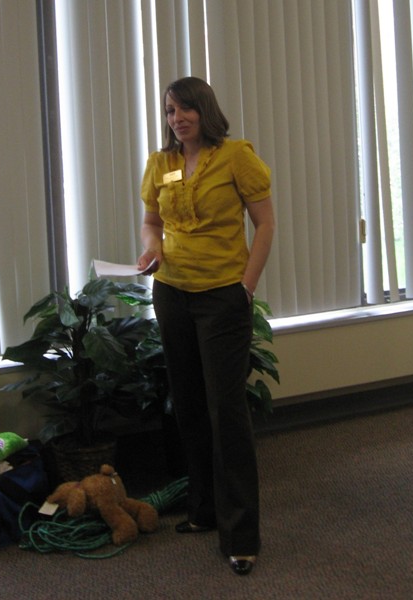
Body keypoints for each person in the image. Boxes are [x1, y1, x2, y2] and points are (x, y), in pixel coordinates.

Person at [137, 76, 275, 576]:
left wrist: (246, 285)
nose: (177, 118)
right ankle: (204, 511)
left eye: (186, 109)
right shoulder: (162, 163)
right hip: (172, 292)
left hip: (221, 297)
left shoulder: (236, 156)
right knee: (190, 405)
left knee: (226, 412)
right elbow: (152, 221)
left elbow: (266, 223)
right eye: (171, 111)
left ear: (205, 110)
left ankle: (241, 536)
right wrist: (151, 250)